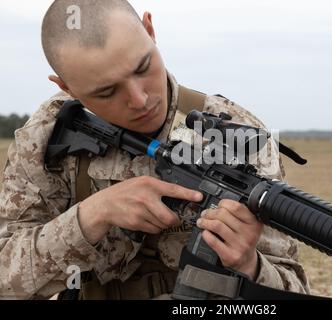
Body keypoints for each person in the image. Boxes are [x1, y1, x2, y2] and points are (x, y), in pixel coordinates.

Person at [0, 0, 309, 299]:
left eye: (143, 67)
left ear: (150, 30)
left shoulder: (240, 137)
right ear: (67, 87)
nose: (139, 100)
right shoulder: (45, 137)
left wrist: (249, 266)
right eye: (106, 91)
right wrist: (92, 215)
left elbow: (292, 288)